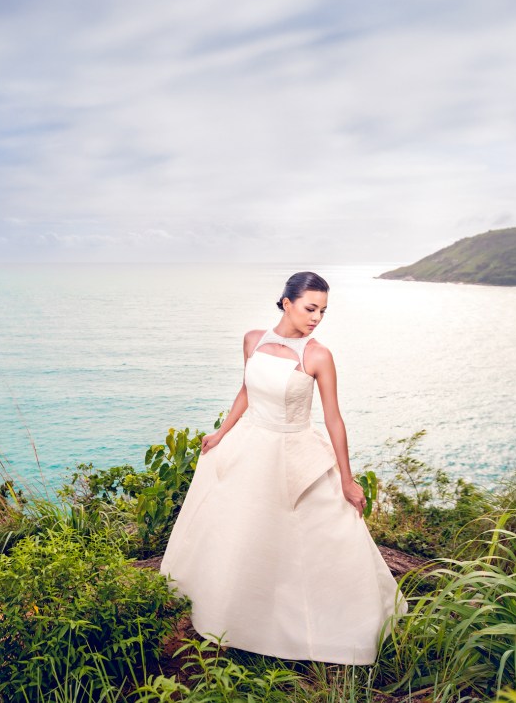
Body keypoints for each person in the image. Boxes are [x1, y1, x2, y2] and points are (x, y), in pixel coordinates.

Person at [160, 271, 405, 664]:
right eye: (311, 308)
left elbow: (334, 419)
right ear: (287, 302)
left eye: (323, 311)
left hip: (294, 449)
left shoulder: (318, 355)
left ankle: (306, 626)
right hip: (249, 444)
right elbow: (246, 390)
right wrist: (222, 431)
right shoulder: (253, 340)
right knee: (239, 531)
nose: (317, 318)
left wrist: (347, 478)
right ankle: (227, 614)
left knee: (306, 537)